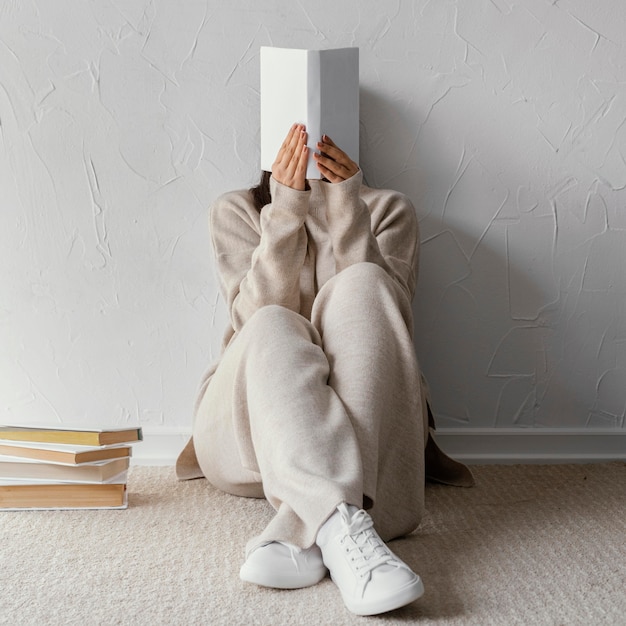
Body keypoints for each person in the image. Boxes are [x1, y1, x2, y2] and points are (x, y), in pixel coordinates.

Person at [176, 123, 429, 616]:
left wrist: (348, 209)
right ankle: (347, 525)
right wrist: (286, 209)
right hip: (251, 434)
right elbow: (250, 324)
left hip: (372, 428)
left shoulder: (390, 209)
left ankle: (309, 528)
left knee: (364, 284)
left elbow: (388, 327)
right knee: (274, 322)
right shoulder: (236, 211)